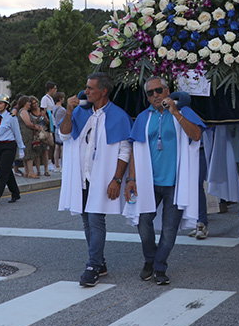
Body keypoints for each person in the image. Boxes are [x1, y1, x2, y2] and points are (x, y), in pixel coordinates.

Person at [127, 76, 205, 286]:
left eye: (158, 91)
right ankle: (150, 259)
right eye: (150, 93)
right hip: (148, 182)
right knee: (144, 222)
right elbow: (135, 149)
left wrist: (175, 112)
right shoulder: (143, 117)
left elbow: (196, 135)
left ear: (167, 91)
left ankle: (160, 266)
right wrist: (131, 178)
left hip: (174, 182)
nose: (155, 95)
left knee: (170, 229)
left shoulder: (183, 112)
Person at [58, 72, 133, 287]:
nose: (86, 91)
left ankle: (92, 266)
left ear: (103, 91)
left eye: (91, 88)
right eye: (87, 87)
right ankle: (100, 262)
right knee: (86, 220)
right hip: (82, 177)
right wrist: (69, 111)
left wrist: (117, 180)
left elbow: (124, 151)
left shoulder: (118, 116)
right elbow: (64, 135)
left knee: (95, 220)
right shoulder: (80, 112)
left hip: (102, 177)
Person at [0, 95, 25, 208]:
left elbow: (17, 133)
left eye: (1, 103)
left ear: (7, 105)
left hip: (9, 146)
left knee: (2, 173)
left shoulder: (12, 118)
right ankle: (15, 192)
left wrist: (21, 148)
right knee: (6, 170)